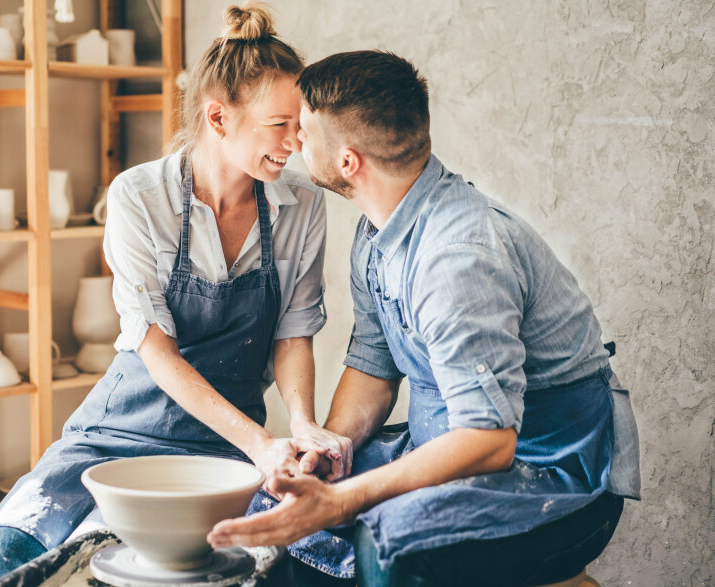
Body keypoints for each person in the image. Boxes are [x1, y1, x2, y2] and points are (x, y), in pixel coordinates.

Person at [209, 50, 642, 586]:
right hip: (448, 449)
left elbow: (490, 439)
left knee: (387, 545)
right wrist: (331, 451)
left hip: (553, 473)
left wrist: (346, 500)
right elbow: (373, 365)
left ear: (348, 162)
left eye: (307, 131)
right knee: (274, 509)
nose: (295, 141)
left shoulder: (457, 258)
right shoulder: (376, 234)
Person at [0, 5, 349, 584]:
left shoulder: (301, 205)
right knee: (2, 560)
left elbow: (293, 331)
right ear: (218, 118)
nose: (297, 142)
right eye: (280, 125)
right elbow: (157, 352)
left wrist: (300, 428)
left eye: (300, 124)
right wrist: (262, 443)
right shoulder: (139, 197)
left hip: (225, 444)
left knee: (270, 563)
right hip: (116, 434)